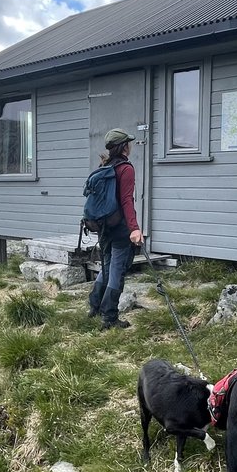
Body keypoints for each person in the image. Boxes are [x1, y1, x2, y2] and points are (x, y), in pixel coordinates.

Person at [87, 128, 143, 330]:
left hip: (103, 227)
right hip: (119, 228)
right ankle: (110, 317)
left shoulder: (105, 165)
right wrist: (134, 228)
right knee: (117, 270)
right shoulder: (125, 169)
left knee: (107, 267)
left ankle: (94, 307)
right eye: (129, 142)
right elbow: (127, 201)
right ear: (124, 146)